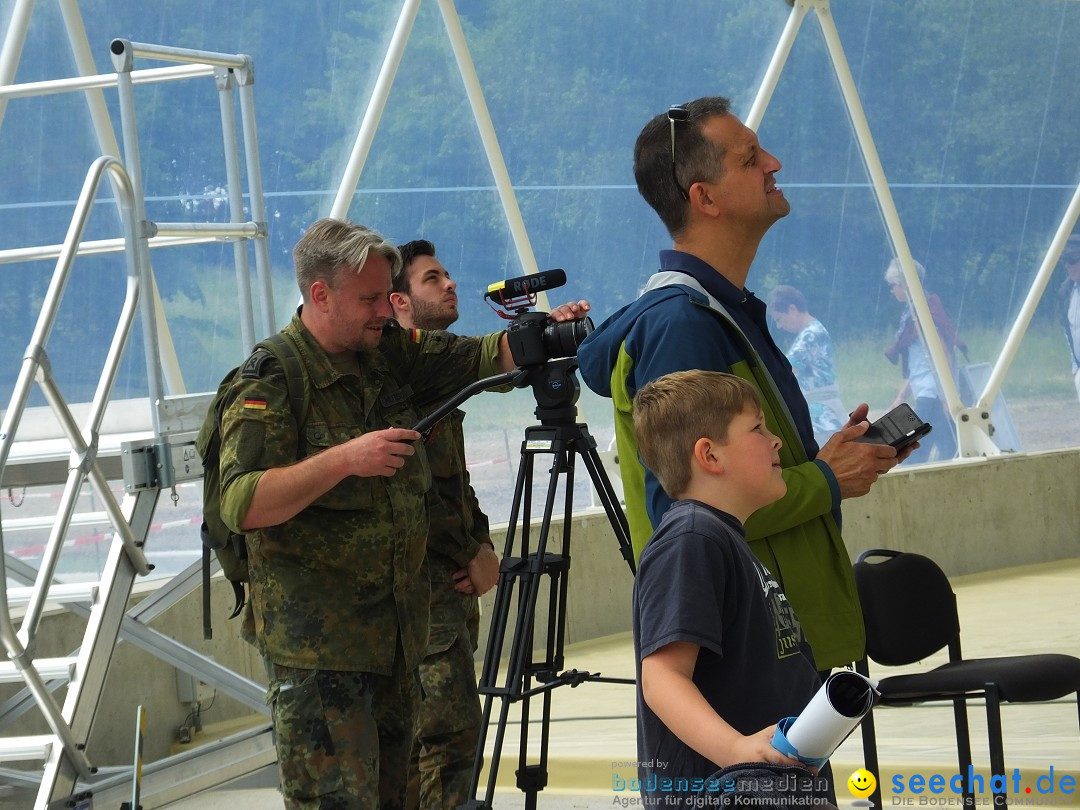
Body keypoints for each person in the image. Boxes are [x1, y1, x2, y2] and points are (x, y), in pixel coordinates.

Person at [217, 217, 589, 809]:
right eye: (368, 298)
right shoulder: (274, 381)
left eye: (387, 295)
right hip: (324, 659)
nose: (384, 311)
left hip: (398, 641)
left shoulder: (387, 353)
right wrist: (343, 459)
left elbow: (465, 360)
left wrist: (538, 337)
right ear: (320, 294)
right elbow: (242, 502)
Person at [577, 96, 907, 672]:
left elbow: (733, 479)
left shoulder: (720, 315)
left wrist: (825, 463)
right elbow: (689, 511)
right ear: (704, 198)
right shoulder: (683, 326)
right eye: (751, 158)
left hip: (771, 642)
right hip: (748, 655)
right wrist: (827, 479)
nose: (774, 163)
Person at [631, 370, 831, 807]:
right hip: (725, 794)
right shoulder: (692, 539)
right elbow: (663, 677)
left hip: (770, 788)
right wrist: (739, 755)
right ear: (710, 456)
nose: (775, 440)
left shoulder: (723, 539)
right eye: (758, 428)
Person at [390, 239, 498, 810]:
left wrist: (479, 542)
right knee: (444, 743)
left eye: (449, 274)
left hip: (442, 595)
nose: (450, 283)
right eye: (433, 278)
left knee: (427, 744)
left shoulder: (433, 374)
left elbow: (453, 481)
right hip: (426, 597)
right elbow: (417, 492)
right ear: (399, 302)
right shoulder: (404, 381)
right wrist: (472, 554)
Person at [883, 258, 968, 465]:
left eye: (892, 285)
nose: (891, 290)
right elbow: (919, 366)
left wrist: (950, 397)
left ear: (905, 284)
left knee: (908, 449)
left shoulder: (924, 312)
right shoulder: (912, 313)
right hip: (927, 393)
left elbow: (945, 355)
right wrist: (901, 396)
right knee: (946, 447)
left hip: (932, 396)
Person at [767, 284, 847, 448]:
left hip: (822, 418)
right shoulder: (814, 331)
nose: (780, 326)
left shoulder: (811, 334)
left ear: (792, 309)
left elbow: (784, 372)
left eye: (779, 319)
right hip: (822, 415)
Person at [1059, 234, 1080, 405]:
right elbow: (1070, 331)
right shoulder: (1066, 292)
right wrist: (1075, 368)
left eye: (1072, 260)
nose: (1068, 266)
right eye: (1065, 260)